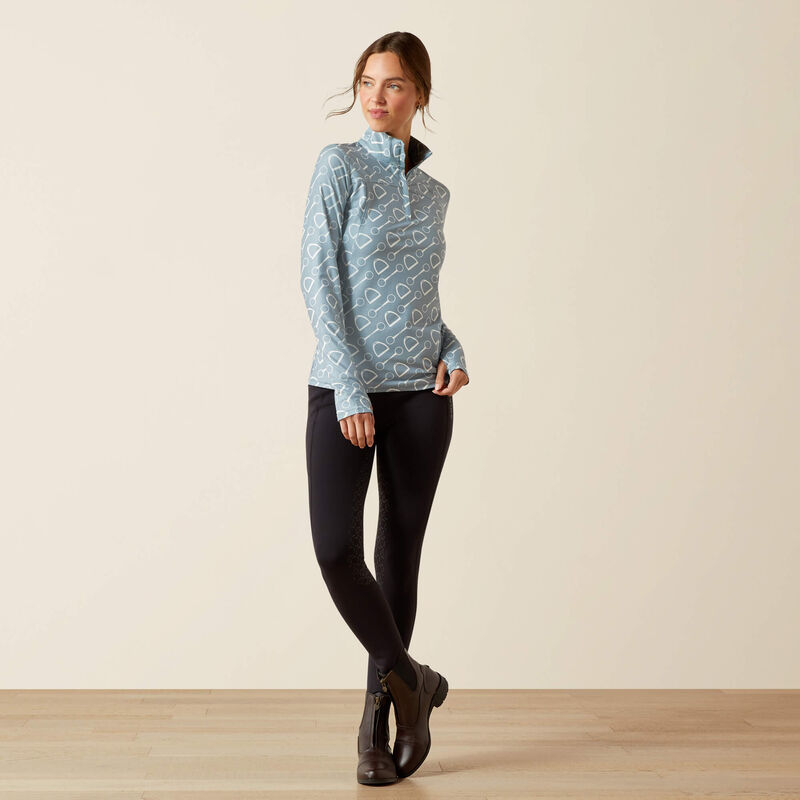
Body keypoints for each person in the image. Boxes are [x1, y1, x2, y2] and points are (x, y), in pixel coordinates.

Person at [300, 31, 470, 786]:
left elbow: (418, 299)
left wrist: (452, 346)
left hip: (422, 396)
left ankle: (379, 723)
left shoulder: (434, 196)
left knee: (398, 553)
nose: (376, 96)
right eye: (368, 81)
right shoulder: (338, 167)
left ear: (419, 96)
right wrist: (348, 386)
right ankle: (414, 681)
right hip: (347, 389)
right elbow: (319, 280)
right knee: (335, 550)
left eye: (394, 84)